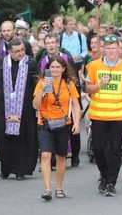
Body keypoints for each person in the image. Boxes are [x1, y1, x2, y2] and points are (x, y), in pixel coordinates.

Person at [85, 35, 122, 197]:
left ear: (120, 50)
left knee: (115, 150)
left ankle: (111, 182)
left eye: (114, 47)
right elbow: (88, 90)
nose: (111, 51)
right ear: (103, 49)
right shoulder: (93, 66)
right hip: (99, 114)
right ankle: (104, 175)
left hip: (119, 116)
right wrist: (99, 85)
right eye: (108, 48)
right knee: (98, 149)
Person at [33, 56, 81, 200]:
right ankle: (47, 189)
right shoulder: (43, 82)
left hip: (63, 124)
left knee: (61, 157)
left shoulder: (68, 83)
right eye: (52, 67)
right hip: (45, 123)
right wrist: (41, 89)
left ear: (63, 69)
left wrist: (77, 123)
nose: (54, 70)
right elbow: (35, 105)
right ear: (48, 69)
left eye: (57, 67)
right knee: (46, 155)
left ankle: (59, 187)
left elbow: (76, 105)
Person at [0, 38, 40, 180]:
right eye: (17, 51)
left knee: (22, 137)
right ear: (9, 52)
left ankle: (20, 170)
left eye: (22, 50)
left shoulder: (30, 63)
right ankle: (6, 168)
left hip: (25, 106)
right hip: (4, 105)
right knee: (3, 136)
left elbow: (36, 85)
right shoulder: (1, 63)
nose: (20, 53)